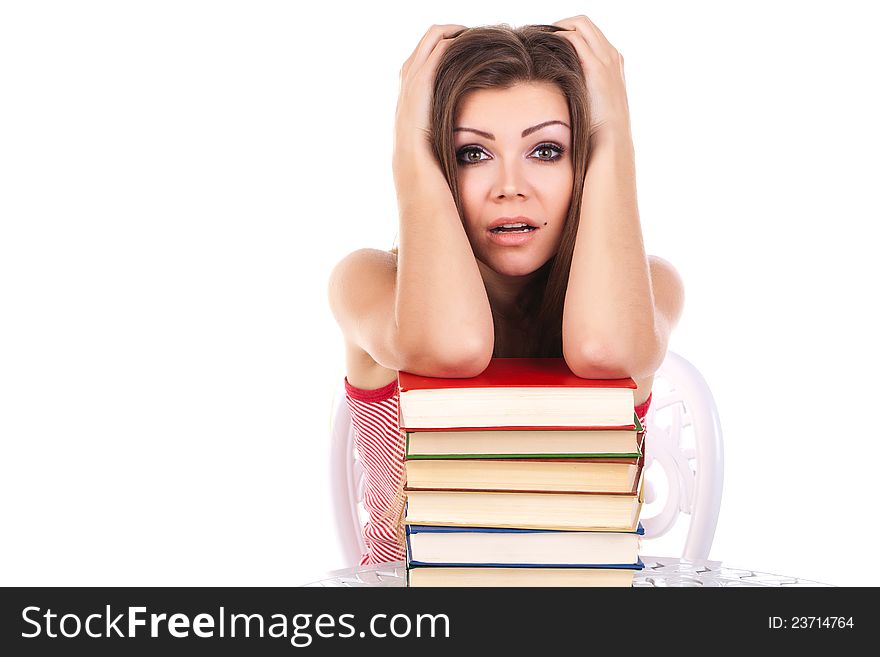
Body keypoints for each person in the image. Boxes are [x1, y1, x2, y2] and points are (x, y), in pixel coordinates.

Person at [328, 17, 685, 565]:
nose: (510, 187)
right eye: (471, 153)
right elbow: (452, 347)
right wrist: (410, 149)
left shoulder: (649, 286)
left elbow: (604, 351)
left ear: (583, 162)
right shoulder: (369, 282)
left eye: (546, 151)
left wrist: (613, 136)